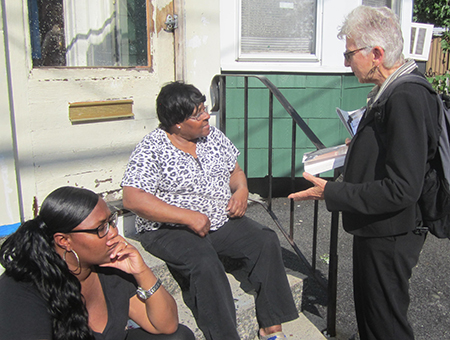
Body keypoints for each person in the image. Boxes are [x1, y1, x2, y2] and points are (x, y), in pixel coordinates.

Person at [288, 6, 440, 340]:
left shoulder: (405, 96)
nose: (346, 62)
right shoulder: (394, 90)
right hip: (380, 228)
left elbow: (402, 187)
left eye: (349, 53)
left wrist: (330, 192)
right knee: (371, 315)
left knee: (385, 323)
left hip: (392, 233)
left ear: (377, 54)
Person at [121, 81, 299, 340]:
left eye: (204, 108)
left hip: (217, 218)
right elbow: (132, 199)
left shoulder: (212, 136)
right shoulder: (152, 148)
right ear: (177, 123)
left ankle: (271, 327)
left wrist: (241, 190)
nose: (206, 116)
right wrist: (186, 216)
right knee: (205, 264)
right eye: (197, 113)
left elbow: (235, 172)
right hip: (169, 228)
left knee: (265, 239)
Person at [0, 186, 195, 340]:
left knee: (179, 336)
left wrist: (142, 271)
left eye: (111, 222)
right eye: (101, 228)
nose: (114, 233)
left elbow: (166, 325)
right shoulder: (21, 289)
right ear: (64, 241)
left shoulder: (108, 269)